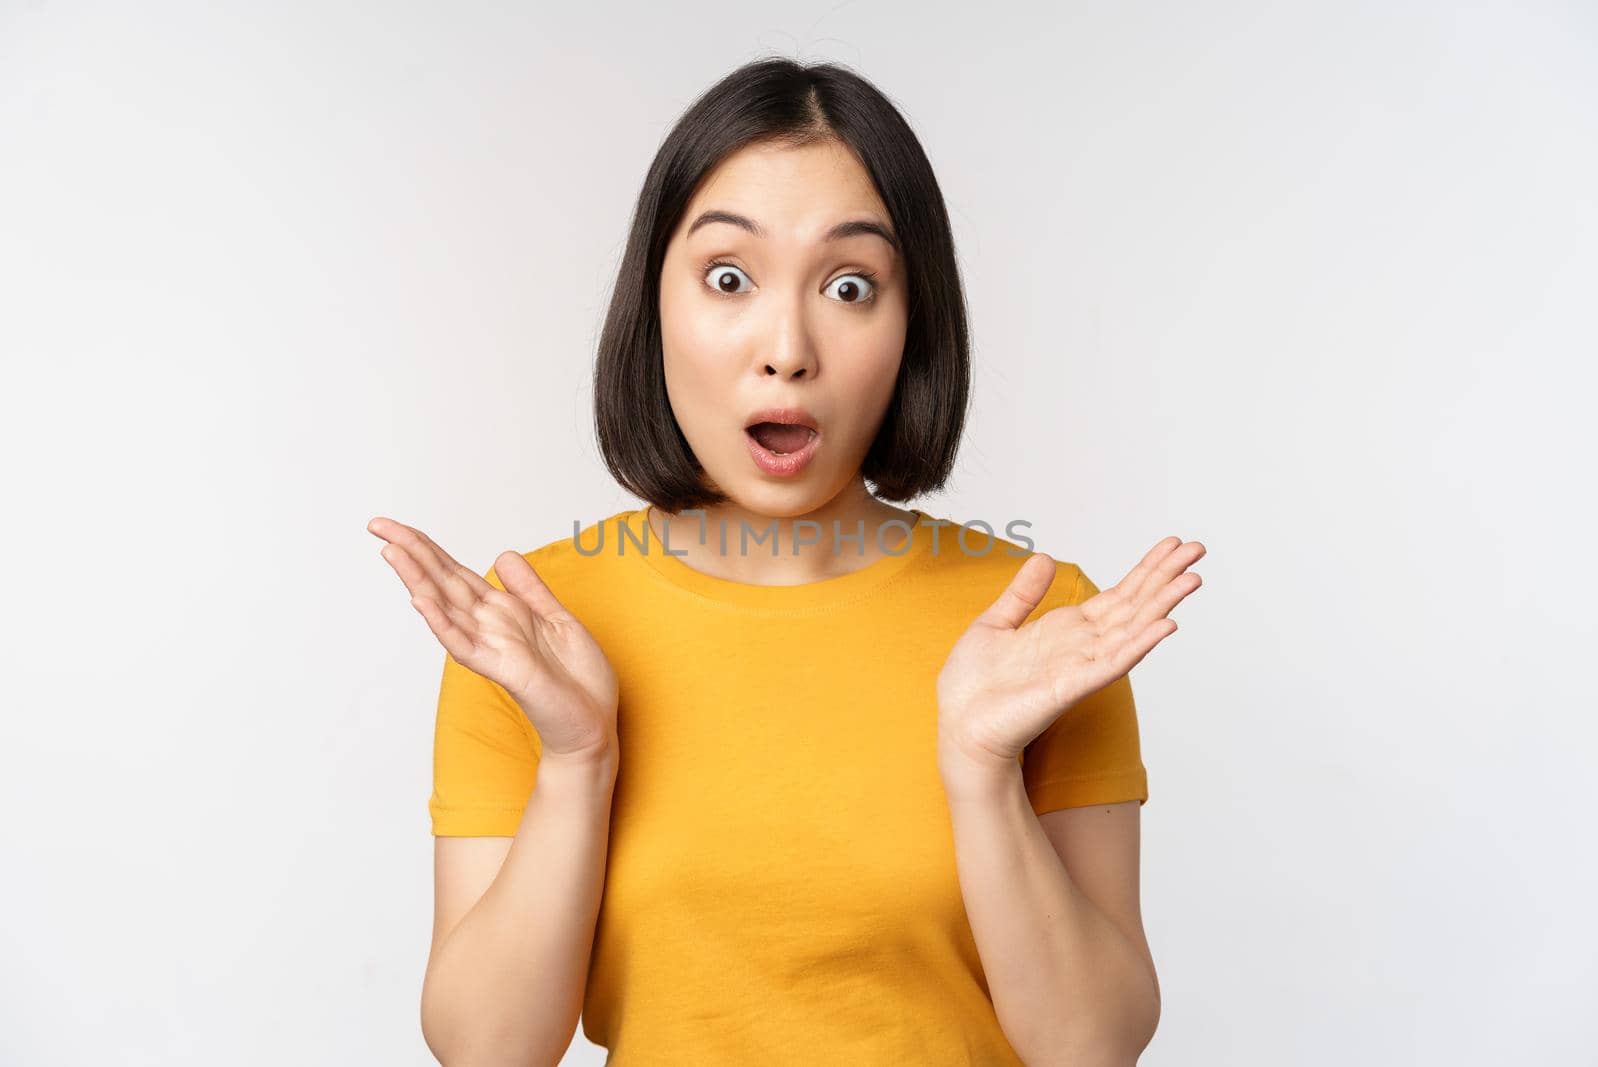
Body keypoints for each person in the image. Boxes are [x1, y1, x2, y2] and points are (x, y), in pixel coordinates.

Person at [369, 56, 1203, 1067]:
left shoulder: (1040, 622)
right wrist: (576, 762)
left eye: (850, 285)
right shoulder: (536, 629)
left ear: (912, 326)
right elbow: (486, 1050)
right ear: (655, 304)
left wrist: (981, 772)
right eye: (729, 277)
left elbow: (1093, 1046)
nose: (786, 347)